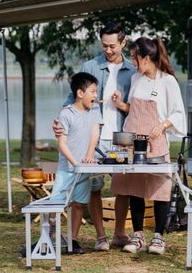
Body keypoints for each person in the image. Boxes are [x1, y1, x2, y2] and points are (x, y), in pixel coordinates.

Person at [52, 22, 135, 250]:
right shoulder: (90, 65)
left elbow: (135, 107)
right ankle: (100, 236)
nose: (108, 51)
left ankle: (119, 232)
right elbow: (73, 98)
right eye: (104, 46)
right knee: (94, 186)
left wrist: (121, 104)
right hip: (93, 138)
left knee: (123, 187)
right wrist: (59, 121)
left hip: (121, 137)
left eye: (113, 46)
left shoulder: (133, 71)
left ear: (123, 43)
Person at [110, 36, 186, 256]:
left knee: (160, 189)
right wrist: (119, 104)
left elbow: (178, 113)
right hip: (132, 142)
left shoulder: (167, 81)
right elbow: (133, 110)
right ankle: (138, 235)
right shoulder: (136, 78)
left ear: (145, 58)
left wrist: (162, 125)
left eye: (134, 58)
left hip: (155, 142)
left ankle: (159, 237)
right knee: (134, 188)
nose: (132, 62)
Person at [48, 72, 102, 255]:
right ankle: (49, 237)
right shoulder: (66, 114)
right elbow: (62, 143)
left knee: (78, 204)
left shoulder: (94, 111)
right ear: (80, 93)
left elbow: (95, 135)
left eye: (96, 91)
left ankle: (72, 239)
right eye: (93, 91)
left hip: (83, 169)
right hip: (67, 169)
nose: (96, 95)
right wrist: (75, 163)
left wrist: (88, 157)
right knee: (56, 204)